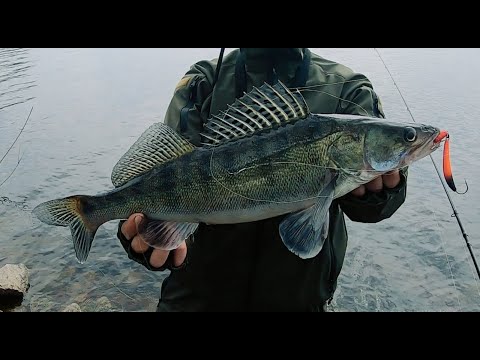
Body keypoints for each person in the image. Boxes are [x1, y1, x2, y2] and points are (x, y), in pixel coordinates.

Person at [117, 48, 407, 312]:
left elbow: (372, 208)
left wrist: (378, 195)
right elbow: (163, 179)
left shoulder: (349, 89)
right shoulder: (203, 81)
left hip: (298, 302)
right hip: (194, 300)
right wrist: (150, 237)